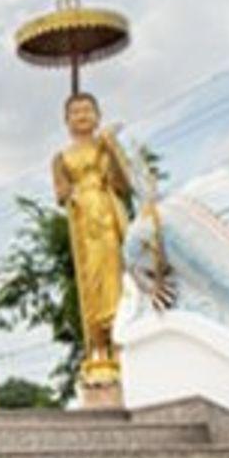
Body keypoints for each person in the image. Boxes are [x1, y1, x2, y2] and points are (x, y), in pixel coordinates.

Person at [53, 92, 132, 375]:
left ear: (98, 115)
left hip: (106, 213)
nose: (82, 116)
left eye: (88, 110)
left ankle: (119, 340)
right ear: (66, 120)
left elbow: (124, 184)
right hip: (83, 220)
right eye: (75, 112)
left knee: (112, 274)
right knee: (90, 281)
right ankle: (98, 348)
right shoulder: (61, 158)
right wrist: (71, 197)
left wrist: (111, 149)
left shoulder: (106, 147)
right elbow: (60, 194)